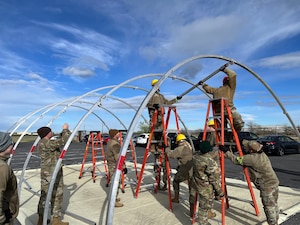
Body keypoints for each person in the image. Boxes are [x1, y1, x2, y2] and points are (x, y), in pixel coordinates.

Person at [219, 140, 279, 225]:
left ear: (251, 150)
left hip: (266, 185)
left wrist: (226, 151)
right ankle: (276, 220)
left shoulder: (251, 159)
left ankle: (273, 223)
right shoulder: (262, 154)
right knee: (274, 203)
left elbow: (236, 160)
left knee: (269, 207)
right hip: (274, 182)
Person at [37, 123, 71, 225]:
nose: (52, 132)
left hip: (47, 172)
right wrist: (65, 129)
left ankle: (41, 219)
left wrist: (63, 133)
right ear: (48, 133)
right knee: (57, 195)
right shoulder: (46, 143)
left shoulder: (43, 142)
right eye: (51, 131)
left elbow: (59, 140)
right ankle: (55, 220)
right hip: (53, 173)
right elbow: (63, 141)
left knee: (45, 196)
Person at [189, 140, 224, 224]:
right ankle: (203, 222)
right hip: (205, 187)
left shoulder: (195, 157)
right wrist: (220, 191)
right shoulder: (210, 162)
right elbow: (213, 179)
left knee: (200, 201)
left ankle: (200, 213)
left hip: (196, 182)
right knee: (203, 207)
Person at [201, 68, 244, 132]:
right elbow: (233, 74)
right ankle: (234, 134)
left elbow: (208, 89)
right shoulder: (229, 88)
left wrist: (203, 84)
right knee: (237, 121)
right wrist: (224, 70)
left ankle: (232, 135)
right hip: (227, 109)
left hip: (220, 112)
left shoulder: (218, 90)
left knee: (223, 128)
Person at [165, 134, 193, 203]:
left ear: (178, 141)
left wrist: (167, 147)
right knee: (191, 188)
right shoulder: (189, 146)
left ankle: (176, 198)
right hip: (192, 169)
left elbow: (171, 155)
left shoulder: (179, 149)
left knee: (175, 181)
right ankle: (192, 205)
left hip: (184, 169)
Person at [0, 132, 19, 225]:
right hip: (5, 216)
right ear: (4, 146)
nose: (12, 146)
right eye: (10, 144)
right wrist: (2, 219)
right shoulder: (2, 167)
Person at [105, 129, 126, 207]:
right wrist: (123, 167)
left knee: (114, 182)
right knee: (116, 183)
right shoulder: (115, 144)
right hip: (115, 166)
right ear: (115, 135)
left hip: (111, 164)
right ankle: (113, 201)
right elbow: (118, 157)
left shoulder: (110, 142)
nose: (119, 134)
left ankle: (114, 198)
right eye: (117, 133)